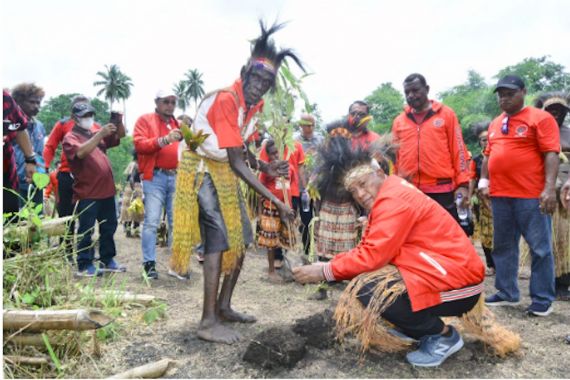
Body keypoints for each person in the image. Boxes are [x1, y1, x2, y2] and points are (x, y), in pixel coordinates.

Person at [293, 138, 494, 368]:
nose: (360, 193)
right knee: (371, 282)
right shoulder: (389, 194)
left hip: (460, 285)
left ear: (378, 171)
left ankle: (442, 336)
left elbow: (372, 256)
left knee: (370, 289)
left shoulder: (393, 200)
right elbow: (368, 248)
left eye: (363, 183)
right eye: (353, 190)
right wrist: (329, 265)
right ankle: (413, 327)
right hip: (447, 274)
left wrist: (325, 271)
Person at [171, 20, 301, 344]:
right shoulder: (228, 99)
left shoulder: (252, 106)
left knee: (241, 238)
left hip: (224, 172)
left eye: (267, 81)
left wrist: (269, 168)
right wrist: (279, 202)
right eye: (256, 77)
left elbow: (241, 151)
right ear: (244, 72)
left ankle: (224, 306)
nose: (259, 85)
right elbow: (237, 161)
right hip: (201, 171)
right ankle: (206, 321)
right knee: (217, 239)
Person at [480, 75, 559, 316]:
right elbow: (487, 155)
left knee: (540, 249)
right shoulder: (495, 123)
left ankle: (542, 298)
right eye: (501, 95)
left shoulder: (540, 118)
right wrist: (484, 181)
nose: (504, 99)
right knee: (503, 247)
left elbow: (551, 153)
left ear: (523, 92)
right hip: (501, 195)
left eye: (509, 94)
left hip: (530, 195)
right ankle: (507, 292)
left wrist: (548, 189)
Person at [391, 73, 471, 230]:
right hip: (410, 190)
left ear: (427, 89)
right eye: (407, 92)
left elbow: (459, 149)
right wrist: (395, 186)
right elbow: (395, 158)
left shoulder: (446, 114)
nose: (411, 96)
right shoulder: (399, 121)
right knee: (415, 236)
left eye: (415, 90)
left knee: (445, 234)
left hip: (441, 189)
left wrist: (463, 184)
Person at [62, 102, 126, 277]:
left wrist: (118, 120)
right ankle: (84, 264)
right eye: (84, 116)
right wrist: (100, 135)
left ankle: (107, 259)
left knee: (109, 227)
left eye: (90, 115)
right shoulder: (71, 137)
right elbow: (81, 153)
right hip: (87, 192)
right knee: (86, 229)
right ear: (74, 118)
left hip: (107, 191)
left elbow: (121, 135)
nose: (88, 118)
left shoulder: (95, 134)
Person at [133, 90, 183, 280]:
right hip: (155, 177)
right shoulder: (145, 120)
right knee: (152, 221)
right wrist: (164, 140)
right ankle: (149, 264)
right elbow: (140, 145)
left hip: (176, 176)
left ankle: (176, 265)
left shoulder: (176, 123)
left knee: (176, 222)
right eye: (166, 102)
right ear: (157, 102)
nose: (170, 105)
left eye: (172, 102)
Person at [43, 95, 99, 255]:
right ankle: (66, 250)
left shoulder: (95, 126)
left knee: (87, 215)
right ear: (72, 112)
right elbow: (50, 146)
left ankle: (84, 252)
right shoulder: (62, 124)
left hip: (88, 177)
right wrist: (44, 167)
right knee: (66, 216)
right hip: (66, 176)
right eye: (78, 108)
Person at [534, 92, 570, 300]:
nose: (555, 114)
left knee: (566, 237)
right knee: (549, 237)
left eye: (560, 110)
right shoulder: (537, 132)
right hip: (545, 189)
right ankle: (553, 282)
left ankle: (565, 279)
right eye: (551, 110)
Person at [258, 140, 295, 283]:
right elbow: (260, 189)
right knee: (270, 241)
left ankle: (286, 265)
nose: (275, 156)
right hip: (271, 207)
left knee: (286, 238)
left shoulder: (289, 168)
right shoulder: (267, 169)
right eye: (271, 153)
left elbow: (290, 186)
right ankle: (271, 271)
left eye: (276, 152)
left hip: (286, 208)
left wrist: (291, 206)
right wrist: (262, 211)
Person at [11, 83, 46, 209]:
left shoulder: (40, 127)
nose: (36, 106)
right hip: (15, 182)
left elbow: (41, 155)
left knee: (36, 220)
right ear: (18, 102)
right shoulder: (10, 126)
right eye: (32, 102)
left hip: (36, 182)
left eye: (38, 103)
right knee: (16, 222)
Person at [294, 113, 323, 256]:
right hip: (299, 188)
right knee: (305, 218)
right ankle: (305, 249)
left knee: (315, 217)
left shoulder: (320, 141)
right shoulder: (294, 141)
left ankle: (313, 248)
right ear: (301, 125)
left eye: (312, 125)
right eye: (306, 125)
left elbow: (324, 161)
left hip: (316, 187)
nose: (309, 128)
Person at [3, 90, 37, 216]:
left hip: (5, 173)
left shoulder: (4, 98)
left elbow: (20, 128)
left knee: (9, 220)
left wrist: (30, 160)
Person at [468, 121, 495, 275]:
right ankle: (491, 265)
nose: (486, 142)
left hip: (500, 198)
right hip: (482, 201)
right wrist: (469, 197)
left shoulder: (499, 154)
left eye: (487, 139)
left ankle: (503, 265)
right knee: (485, 233)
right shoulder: (476, 160)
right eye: (482, 140)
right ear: (479, 142)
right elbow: (472, 178)